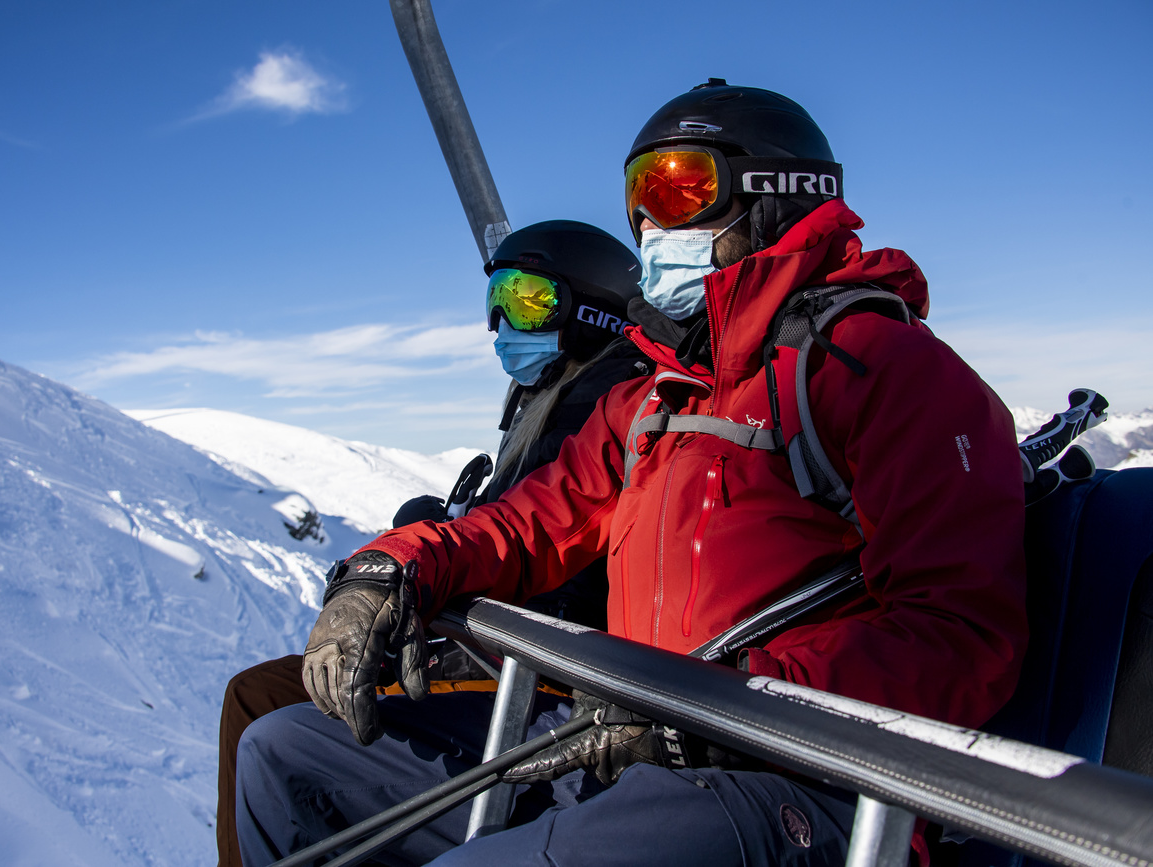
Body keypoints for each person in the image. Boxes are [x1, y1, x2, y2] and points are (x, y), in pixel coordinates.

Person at [235, 80, 1029, 867]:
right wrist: (396, 564)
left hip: (795, 779)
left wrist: (721, 705)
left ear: (776, 193)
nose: (649, 223)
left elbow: (962, 636)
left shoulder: (878, 367)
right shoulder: (652, 399)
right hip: (632, 741)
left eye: (680, 188)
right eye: (637, 197)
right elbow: (524, 523)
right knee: (282, 755)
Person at [213, 220, 648, 867]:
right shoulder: (545, 395)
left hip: (533, 670)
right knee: (256, 697)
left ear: (593, 307)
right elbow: (516, 517)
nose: (504, 318)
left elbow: (559, 564)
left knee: (265, 711)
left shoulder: (605, 398)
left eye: (529, 298)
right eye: (497, 297)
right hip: (489, 642)